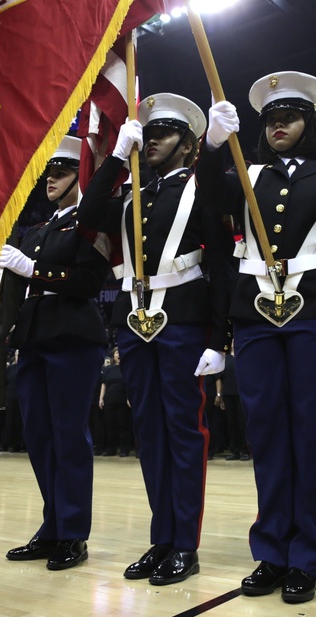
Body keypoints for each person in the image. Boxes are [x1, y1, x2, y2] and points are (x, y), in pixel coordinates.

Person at [198, 71, 316, 603]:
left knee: (311, 433)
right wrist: (214, 145)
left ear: (309, 122)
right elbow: (205, 199)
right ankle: (271, 551)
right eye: (271, 119)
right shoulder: (244, 173)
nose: (279, 125)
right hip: (255, 310)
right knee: (265, 433)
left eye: (289, 116)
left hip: (315, 310)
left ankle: (307, 555)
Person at [80, 93, 234, 585]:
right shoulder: (130, 194)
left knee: (183, 433)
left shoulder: (200, 186)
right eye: (148, 134)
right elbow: (87, 217)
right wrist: (110, 163)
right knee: (149, 433)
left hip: (184, 317)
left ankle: (184, 543)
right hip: (134, 318)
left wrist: (219, 336)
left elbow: (221, 264)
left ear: (188, 145)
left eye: (164, 133)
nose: (152, 141)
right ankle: (161, 537)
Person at [0, 136, 110, 571]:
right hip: (35, 338)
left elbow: (86, 282)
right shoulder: (38, 231)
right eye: (49, 172)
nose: (51, 179)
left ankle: (73, 533)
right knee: (40, 438)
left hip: (72, 337)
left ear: (78, 177)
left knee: (68, 437)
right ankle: (53, 526)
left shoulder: (89, 222)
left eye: (61, 172)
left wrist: (33, 269)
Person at [97, 348, 132, 457]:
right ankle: (110, 449)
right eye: (117, 353)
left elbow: (129, 385)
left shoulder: (126, 369)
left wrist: (129, 398)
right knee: (110, 425)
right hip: (109, 400)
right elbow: (103, 384)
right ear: (113, 356)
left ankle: (124, 449)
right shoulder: (108, 369)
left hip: (122, 400)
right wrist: (101, 398)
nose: (118, 354)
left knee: (123, 425)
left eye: (120, 352)